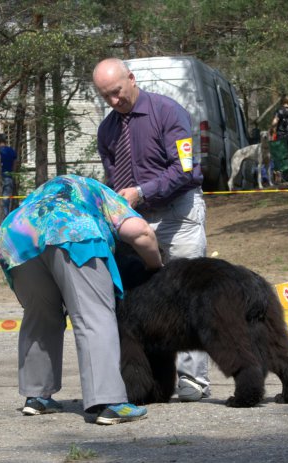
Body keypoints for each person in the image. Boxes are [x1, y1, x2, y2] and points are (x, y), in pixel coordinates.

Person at [0, 174, 163, 424]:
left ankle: (38, 397)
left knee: (40, 315)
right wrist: (156, 265)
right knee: (94, 315)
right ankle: (110, 401)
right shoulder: (106, 194)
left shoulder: (49, 190)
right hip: (73, 232)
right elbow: (140, 232)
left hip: (15, 237)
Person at [92, 58, 211, 402]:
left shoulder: (168, 112)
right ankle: (150, 381)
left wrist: (141, 191)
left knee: (188, 293)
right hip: (135, 222)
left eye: (117, 92)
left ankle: (193, 380)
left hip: (178, 214)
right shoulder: (107, 130)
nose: (114, 101)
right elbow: (113, 179)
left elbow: (185, 170)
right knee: (141, 300)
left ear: (131, 78)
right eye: (106, 96)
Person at [0, 134, 18, 217]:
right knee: (6, 201)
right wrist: (12, 173)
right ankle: (5, 218)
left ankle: (2, 218)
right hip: (8, 176)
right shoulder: (11, 151)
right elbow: (15, 164)